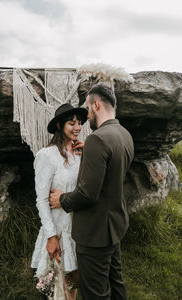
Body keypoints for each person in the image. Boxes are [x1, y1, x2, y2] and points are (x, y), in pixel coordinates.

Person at [49, 83, 134, 300]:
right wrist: (94, 151)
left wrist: (62, 199)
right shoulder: (123, 134)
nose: (86, 115)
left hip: (95, 233)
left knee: (95, 292)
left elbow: (87, 194)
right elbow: (113, 169)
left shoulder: (98, 139)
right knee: (116, 283)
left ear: (96, 104)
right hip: (115, 225)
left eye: (87, 108)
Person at [31, 103, 88, 300]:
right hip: (58, 229)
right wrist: (51, 236)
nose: (78, 127)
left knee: (73, 284)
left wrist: (87, 153)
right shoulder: (46, 156)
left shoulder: (80, 154)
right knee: (59, 288)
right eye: (72, 123)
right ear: (59, 126)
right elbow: (41, 200)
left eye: (79, 123)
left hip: (77, 228)